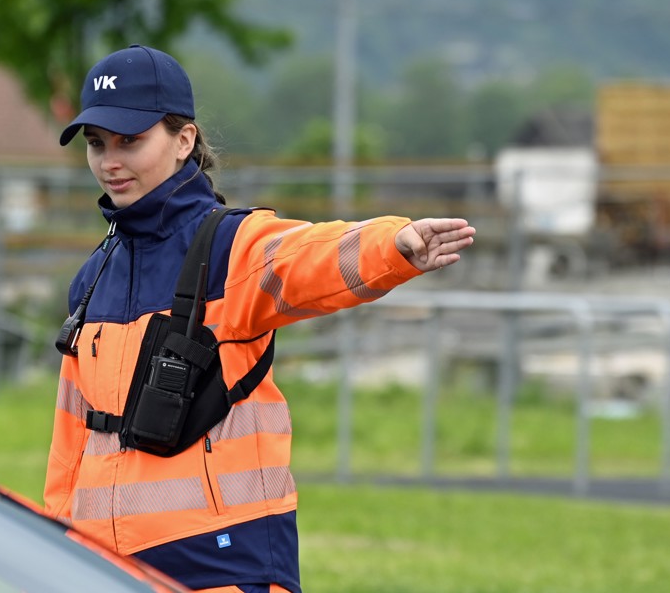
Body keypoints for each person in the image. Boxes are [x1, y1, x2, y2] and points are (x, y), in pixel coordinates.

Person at [45, 44, 475, 593]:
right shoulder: (93, 277)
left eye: (130, 141)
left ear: (184, 141)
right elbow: (72, 437)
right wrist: (55, 543)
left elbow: (306, 255)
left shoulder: (230, 246)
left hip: (222, 563)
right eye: (96, 143)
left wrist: (392, 246)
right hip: (104, 563)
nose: (110, 161)